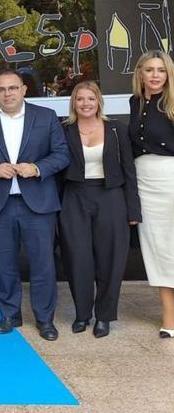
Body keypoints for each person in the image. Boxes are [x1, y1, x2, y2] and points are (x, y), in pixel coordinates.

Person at [0, 70, 69, 341]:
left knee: (43, 264)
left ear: (23, 90)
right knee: (4, 263)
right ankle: (10, 314)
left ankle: (45, 319)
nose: (7, 93)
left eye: (12, 88)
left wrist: (36, 167)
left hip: (38, 203)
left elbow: (61, 154)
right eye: (1, 89)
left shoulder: (45, 117)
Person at [60, 81, 140, 338]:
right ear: (74, 102)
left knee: (110, 260)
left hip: (111, 197)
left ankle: (104, 317)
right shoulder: (64, 130)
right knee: (77, 259)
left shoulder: (117, 129)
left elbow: (129, 170)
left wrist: (133, 211)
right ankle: (82, 315)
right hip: (74, 197)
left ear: (99, 102)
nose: (85, 104)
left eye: (90, 99)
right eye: (80, 99)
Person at [128, 50, 174, 338]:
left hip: (171, 177)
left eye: (161, 70)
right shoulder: (135, 102)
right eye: (150, 69)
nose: (155, 75)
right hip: (143, 181)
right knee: (157, 249)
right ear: (140, 73)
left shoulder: (171, 102)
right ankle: (169, 315)